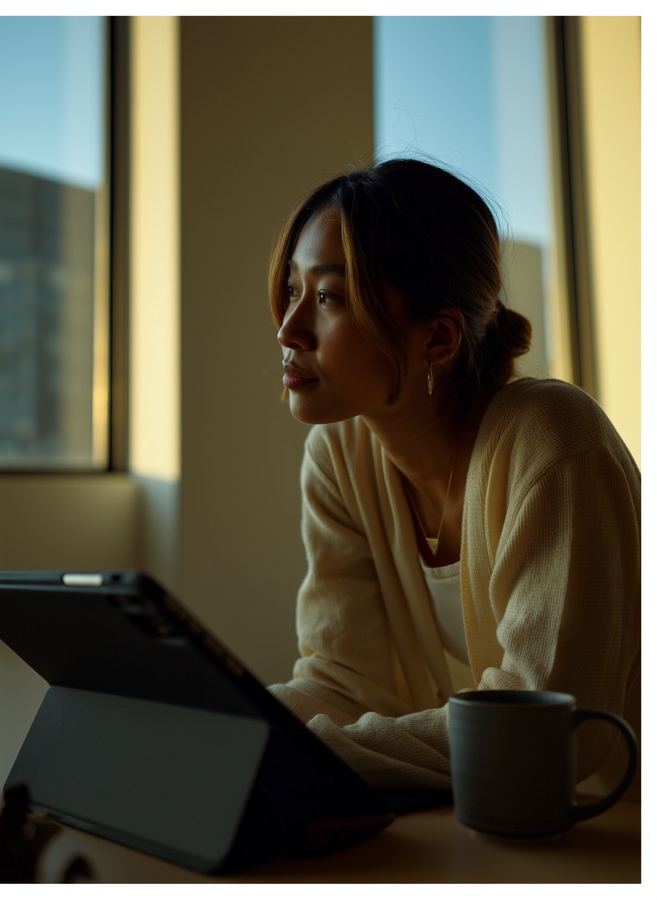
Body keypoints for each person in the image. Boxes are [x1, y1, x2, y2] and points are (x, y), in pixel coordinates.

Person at [267, 158, 641, 798]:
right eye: (294, 289)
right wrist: (224, 730)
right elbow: (342, 681)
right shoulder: (338, 456)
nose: (288, 328)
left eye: (328, 297)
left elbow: (546, 728)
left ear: (438, 338)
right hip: (509, 823)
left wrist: (290, 761)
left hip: (620, 820)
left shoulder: (553, 440)